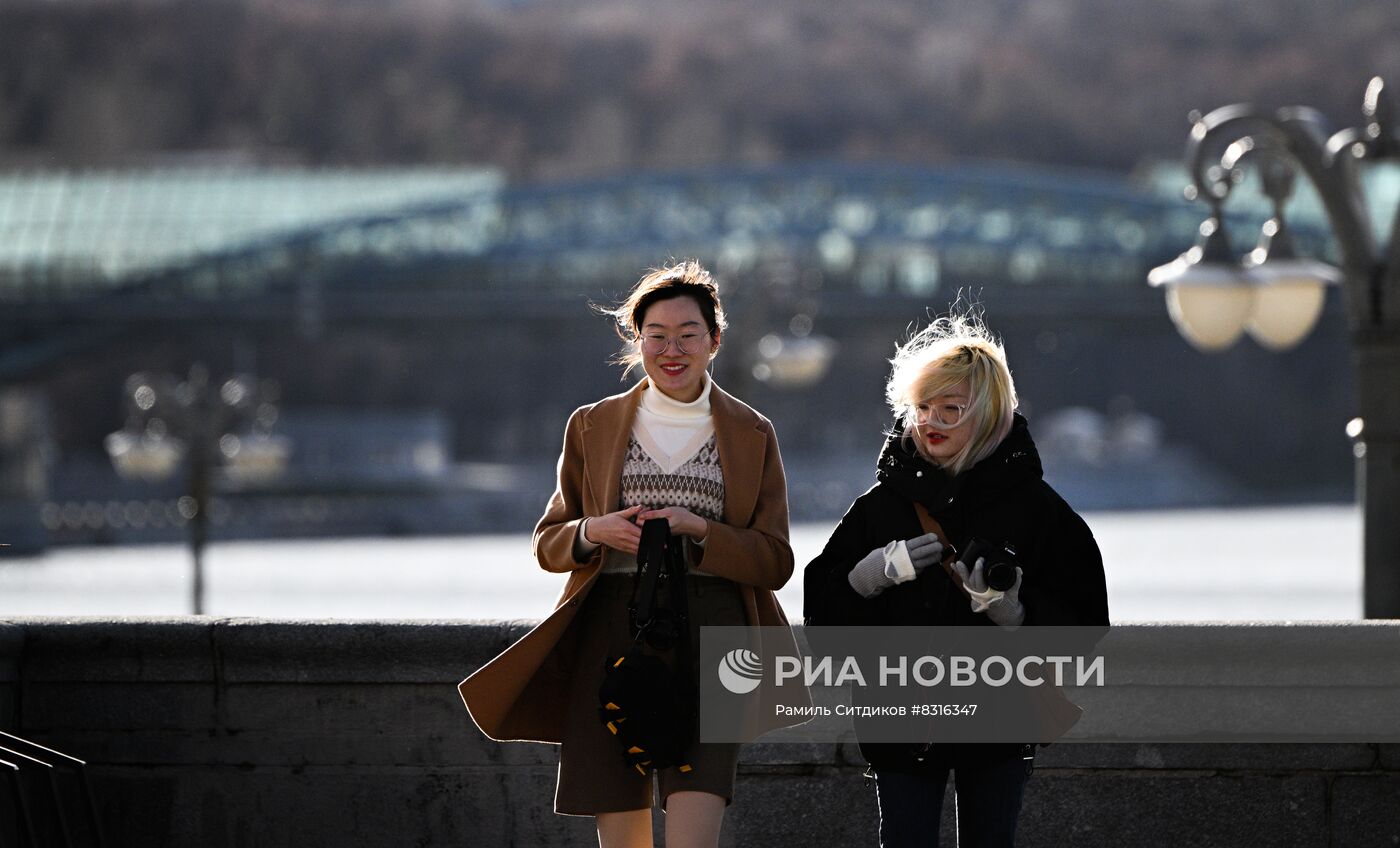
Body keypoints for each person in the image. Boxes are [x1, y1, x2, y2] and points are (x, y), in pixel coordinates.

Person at [459, 260, 799, 848]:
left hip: (715, 635)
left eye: (688, 334)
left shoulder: (751, 431)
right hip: (611, 630)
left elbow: (775, 562)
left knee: (695, 830)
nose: (673, 349)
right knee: (621, 831)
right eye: (657, 335)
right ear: (635, 339)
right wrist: (596, 532)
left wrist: (701, 532)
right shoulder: (592, 425)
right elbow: (550, 543)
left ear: (715, 341)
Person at [803, 312, 1109, 848]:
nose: (930, 421)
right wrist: (863, 579)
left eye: (950, 408)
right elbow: (822, 623)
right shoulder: (879, 508)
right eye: (921, 407)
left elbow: (1086, 623)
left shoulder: (1037, 511)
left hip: (1000, 720)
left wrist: (1017, 614)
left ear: (989, 415)